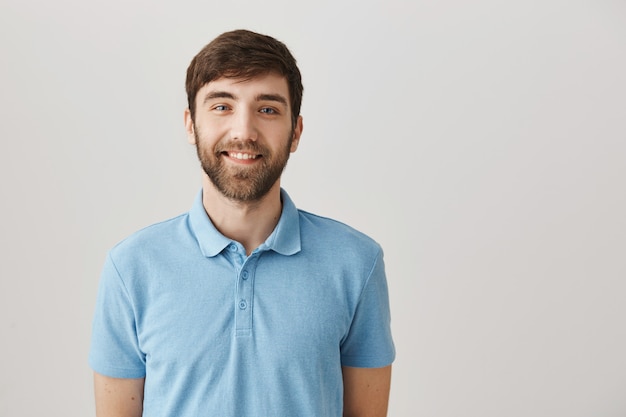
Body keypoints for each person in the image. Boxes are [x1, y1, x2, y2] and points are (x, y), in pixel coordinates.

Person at [89, 29, 395, 417]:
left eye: (267, 109)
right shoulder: (130, 268)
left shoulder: (357, 263)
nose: (243, 132)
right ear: (190, 124)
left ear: (296, 131)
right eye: (221, 106)